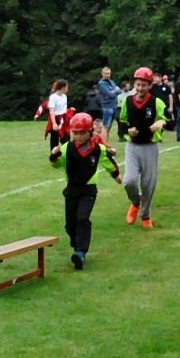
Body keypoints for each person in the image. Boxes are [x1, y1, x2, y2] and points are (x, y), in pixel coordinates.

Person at [49, 113, 121, 270]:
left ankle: (81, 252)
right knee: (70, 224)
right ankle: (76, 246)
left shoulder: (98, 149)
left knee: (82, 218)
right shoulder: (67, 148)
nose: (79, 136)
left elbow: (109, 163)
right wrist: (54, 155)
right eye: (76, 133)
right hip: (72, 190)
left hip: (88, 190)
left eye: (82, 133)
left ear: (90, 132)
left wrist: (116, 176)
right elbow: (57, 164)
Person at [117, 67, 166, 228]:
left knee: (148, 184)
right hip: (132, 146)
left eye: (144, 85)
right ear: (134, 84)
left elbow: (170, 120)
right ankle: (135, 203)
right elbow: (121, 122)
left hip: (150, 147)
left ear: (150, 86)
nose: (140, 88)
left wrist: (161, 122)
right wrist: (127, 130)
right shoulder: (128, 101)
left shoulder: (156, 102)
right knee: (129, 181)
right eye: (138, 84)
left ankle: (145, 216)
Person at [44, 79, 69, 153]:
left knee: (66, 138)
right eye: (67, 87)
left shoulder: (64, 96)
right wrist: (54, 123)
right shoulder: (53, 97)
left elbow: (64, 108)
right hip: (56, 118)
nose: (67, 89)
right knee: (54, 139)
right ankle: (54, 155)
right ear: (63, 87)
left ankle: (66, 154)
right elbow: (52, 111)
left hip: (63, 119)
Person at [96, 67, 121, 140]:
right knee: (105, 126)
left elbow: (119, 91)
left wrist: (114, 92)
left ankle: (106, 141)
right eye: (106, 73)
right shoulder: (101, 83)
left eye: (109, 73)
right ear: (102, 74)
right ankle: (104, 142)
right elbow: (111, 94)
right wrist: (114, 91)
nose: (108, 75)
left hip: (114, 106)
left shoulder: (111, 82)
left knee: (110, 126)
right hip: (107, 107)